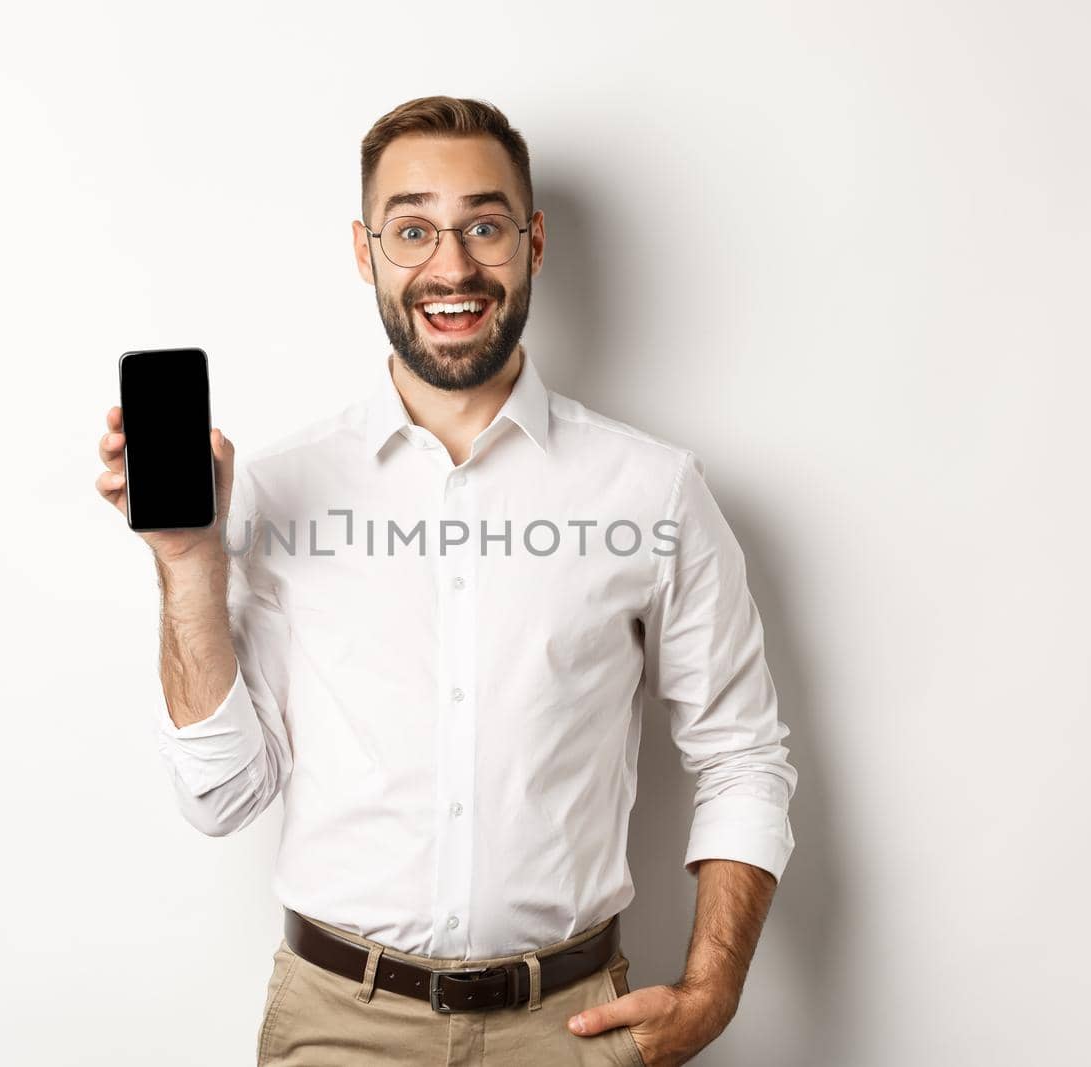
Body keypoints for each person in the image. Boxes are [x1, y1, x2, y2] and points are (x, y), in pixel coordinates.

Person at [95, 95, 798, 1066]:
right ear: (364, 249)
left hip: (572, 1026)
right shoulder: (275, 489)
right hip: (339, 1025)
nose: (452, 265)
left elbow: (740, 755)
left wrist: (711, 989)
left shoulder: (652, 488)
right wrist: (188, 566)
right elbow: (220, 797)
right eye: (413, 228)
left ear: (533, 241)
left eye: (484, 225)